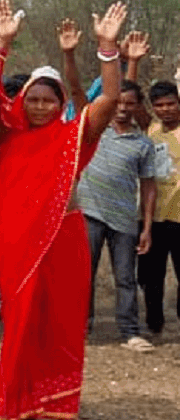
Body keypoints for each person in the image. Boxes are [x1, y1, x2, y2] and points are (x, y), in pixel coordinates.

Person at [0, 0, 127, 420]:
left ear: (61, 103)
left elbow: (109, 98)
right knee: (21, 325)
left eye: (49, 100)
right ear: (22, 101)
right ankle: (14, 410)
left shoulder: (73, 136)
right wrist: (1, 45)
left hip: (65, 240)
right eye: (34, 99)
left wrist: (107, 49)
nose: (41, 107)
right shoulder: (3, 138)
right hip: (16, 244)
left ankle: (64, 414)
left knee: (63, 328)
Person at [75, 81, 156, 351]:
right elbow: (77, 96)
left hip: (124, 219)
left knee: (125, 277)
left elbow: (148, 186)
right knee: (84, 273)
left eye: (129, 103)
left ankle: (130, 331)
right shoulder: (93, 131)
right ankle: (79, 327)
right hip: (89, 214)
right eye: (118, 102)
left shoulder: (143, 144)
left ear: (137, 106)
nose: (122, 108)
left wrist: (146, 227)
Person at [145, 80, 180, 336]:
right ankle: (154, 322)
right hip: (153, 217)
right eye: (160, 105)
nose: (166, 109)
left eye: (171, 104)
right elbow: (127, 94)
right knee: (150, 275)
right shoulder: (151, 129)